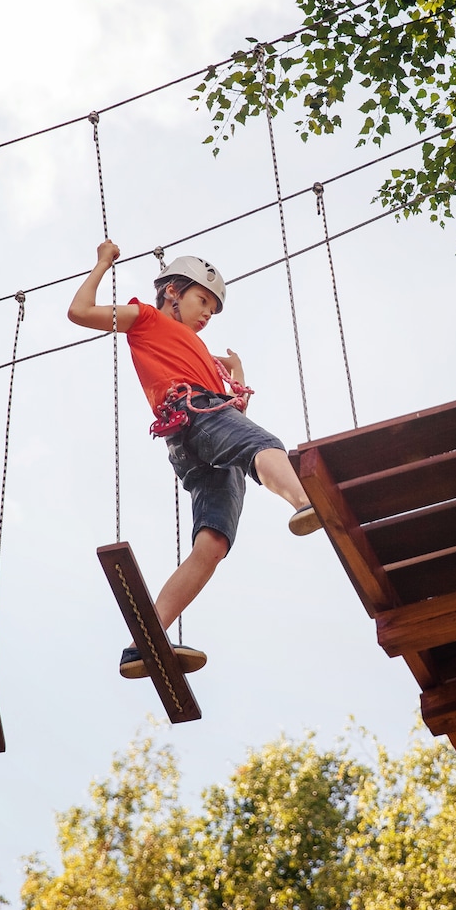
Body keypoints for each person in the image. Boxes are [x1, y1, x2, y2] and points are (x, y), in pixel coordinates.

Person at [68, 239, 321, 678]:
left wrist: (235, 373)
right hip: (192, 413)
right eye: (201, 300)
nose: (206, 313)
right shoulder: (144, 318)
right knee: (267, 446)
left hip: (197, 435)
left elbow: (237, 418)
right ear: (172, 292)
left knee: (213, 545)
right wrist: (102, 264)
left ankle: (141, 645)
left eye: (212, 308)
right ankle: (305, 501)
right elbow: (80, 312)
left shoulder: (204, 354)